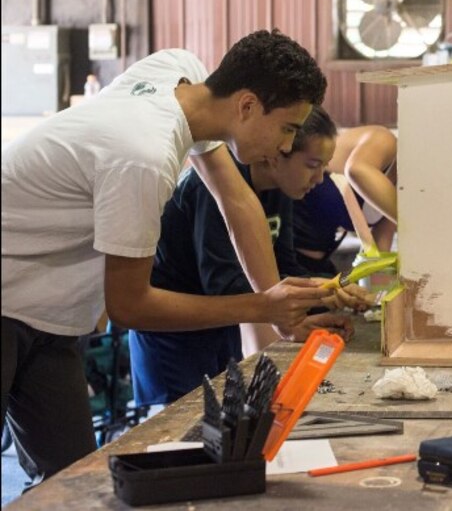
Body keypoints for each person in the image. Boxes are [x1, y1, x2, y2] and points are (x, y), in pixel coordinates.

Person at [2, 29, 331, 485]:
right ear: (248, 106)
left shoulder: (180, 73)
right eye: (288, 129)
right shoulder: (143, 155)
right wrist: (260, 306)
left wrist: (276, 305)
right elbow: (130, 305)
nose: (285, 147)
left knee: (73, 482)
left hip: (49, 319)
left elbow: (233, 201)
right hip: (7, 296)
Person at [129, 106, 362, 406]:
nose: (319, 179)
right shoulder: (215, 186)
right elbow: (222, 281)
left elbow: (282, 267)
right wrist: (314, 293)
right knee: (178, 437)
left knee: (222, 427)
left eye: (324, 168)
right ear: (279, 153)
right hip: (175, 333)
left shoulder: (280, 188)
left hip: (221, 326)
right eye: (312, 165)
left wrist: (332, 288)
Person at [293, 125, 399, 278]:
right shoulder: (385, 140)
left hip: (316, 262)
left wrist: (380, 297)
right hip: (285, 245)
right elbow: (355, 170)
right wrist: (418, 230)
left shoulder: (400, 199)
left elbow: (379, 257)